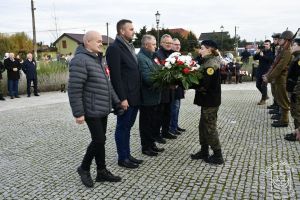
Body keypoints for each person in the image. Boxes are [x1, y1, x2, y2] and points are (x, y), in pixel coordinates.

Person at [68, 31, 122, 188]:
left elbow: (107, 84)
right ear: (87, 43)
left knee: (101, 140)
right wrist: (78, 113)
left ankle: (101, 171)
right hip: (90, 108)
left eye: (101, 41)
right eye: (98, 41)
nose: (101, 43)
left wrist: (117, 102)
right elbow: (74, 89)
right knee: (99, 140)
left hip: (102, 108)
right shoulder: (80, 61)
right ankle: (84, 168)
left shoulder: (98, 59)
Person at [106, 19, 143, 169]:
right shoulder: (114, 48)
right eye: (131, 29)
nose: (133, 31)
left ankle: (127, 154)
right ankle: (122, 158)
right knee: (122, 127)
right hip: (126, 96)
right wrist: (122, 98)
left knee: (128, 127)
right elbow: (115, 76)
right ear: (122, 31)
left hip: (134, 95)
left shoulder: (129, 47)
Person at [190, 40, 224, 165]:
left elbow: (205, 84)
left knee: (210, 128)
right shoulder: (206, 60)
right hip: (207, 100)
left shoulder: (211, 64)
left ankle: (218, 155)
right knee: (202, 126)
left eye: (202, 48)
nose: (200, 50)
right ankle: (204, 151)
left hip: (210, 100)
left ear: (210, 49)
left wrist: (187, 84)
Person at [137, 34, 165, 156]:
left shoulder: (151, 57)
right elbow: (148, 78)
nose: (155, 46)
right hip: (146, 97)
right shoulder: (141, 58)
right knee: (146, 124)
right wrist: (164, 81)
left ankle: (151, 144)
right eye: (153, 44)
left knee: (153, 122)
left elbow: (158, 72)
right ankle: (146, 147)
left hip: (154, 96)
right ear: (146, 45)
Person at [263, 30, 293, 127]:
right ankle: (283, 119)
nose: (280, 40)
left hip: (282, 79)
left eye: (282, 39)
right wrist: (268, 75)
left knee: (283, 100)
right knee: (280, 99)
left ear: (287, 40)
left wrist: (269, 77)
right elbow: (275, 65)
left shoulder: (287, 52)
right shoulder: (283, 50)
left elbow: (280, 67)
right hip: (278, 78)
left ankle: (284, 120)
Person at [154, 34, 177, 141]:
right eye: (166, 43)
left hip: (171, 89)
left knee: (168, 111)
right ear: (161, 43)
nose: (169, 45)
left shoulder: (173, 54)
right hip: (162, 89)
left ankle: (166, 131)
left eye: (170, 43)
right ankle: (157, 135)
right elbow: (159, 71)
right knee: (159, 113)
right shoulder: (158, 54)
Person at [169, 38, 186, 136]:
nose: (178, 46)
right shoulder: (171, 56)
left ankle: (175, 125)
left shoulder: (180, 56)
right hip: (173, 87)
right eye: (176, 44)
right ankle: (172, 127)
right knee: (174, 107)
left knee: (177, 107)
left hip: (179, 86)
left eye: (179, 44)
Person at [284, 37, 300, 141]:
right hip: (294, 90)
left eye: (294, 45)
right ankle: (297, 131)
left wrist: (295, 91)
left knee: (298, 112)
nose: (292, 46)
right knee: (295, 111)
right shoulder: (296, 57)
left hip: (297, 91)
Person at [253, 40, 274, 105]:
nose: (265, 45)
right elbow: (255, 58)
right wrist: (257, 53)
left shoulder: (271, 52)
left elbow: (271, 60)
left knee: (264, 85)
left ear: (270, 45)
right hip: (260, 70)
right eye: (265, 44)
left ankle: (263, 99)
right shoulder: (262, 51)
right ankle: (265, 95)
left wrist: (263, 56)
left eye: (267, 44)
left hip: (267, 71)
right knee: (258, 85)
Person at [268, 33, 281, 111]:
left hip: (277, 73)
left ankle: (278, 108)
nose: (274, 41)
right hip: (273, 70)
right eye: (273, 39)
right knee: (274, 90)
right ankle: (275, 104)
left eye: (275, 39)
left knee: (278, 92)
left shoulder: (279, 48)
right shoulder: (274, 47)